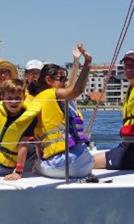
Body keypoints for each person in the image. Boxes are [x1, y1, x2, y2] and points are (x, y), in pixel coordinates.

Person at [29, 45, 94, 179]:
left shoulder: (42, 98)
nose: (65, 83)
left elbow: (75, 89)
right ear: (48, 80)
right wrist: (82, 62)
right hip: (85, 161)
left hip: (63, 165)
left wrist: (86, 64)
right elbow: (73, 88)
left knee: (35, 164)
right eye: (62, 80)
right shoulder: (56, 97)